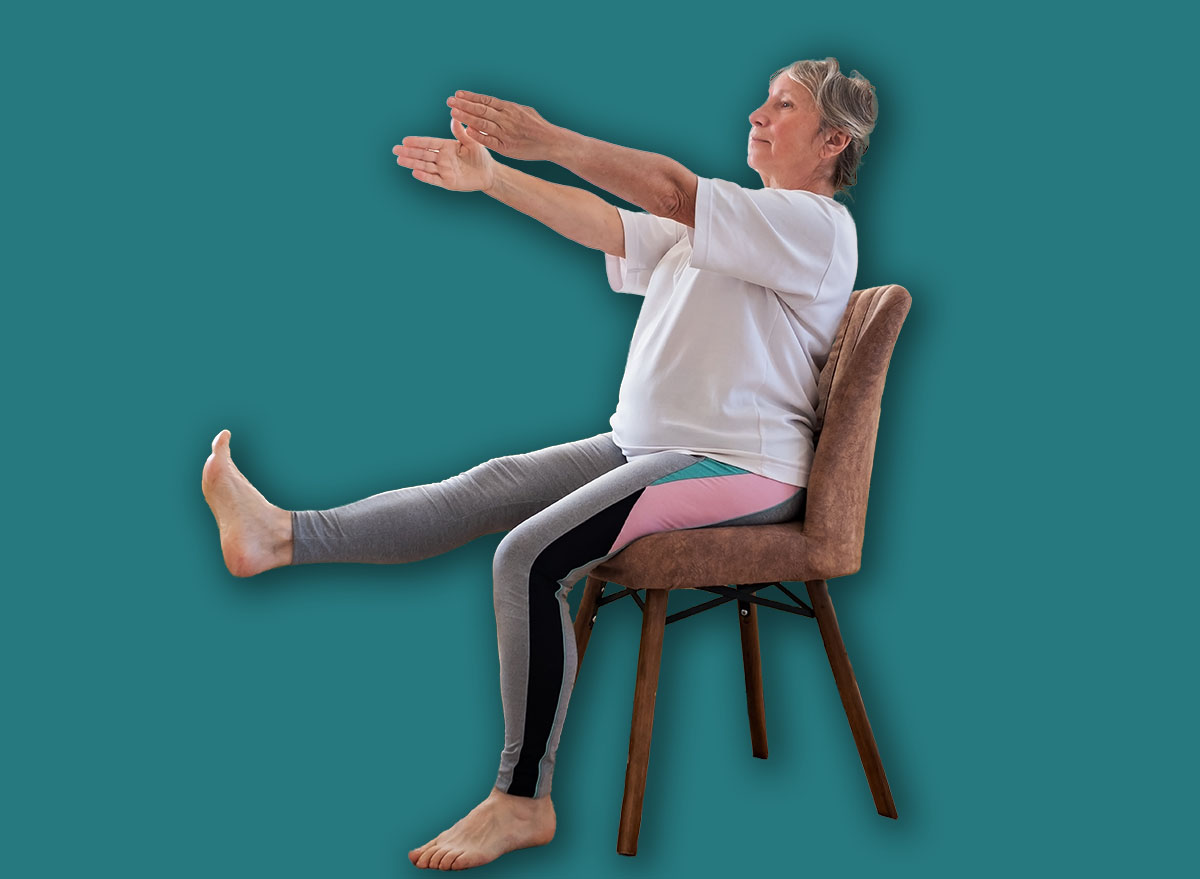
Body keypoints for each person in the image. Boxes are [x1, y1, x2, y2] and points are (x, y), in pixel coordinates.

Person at [202, 57, 878, 870]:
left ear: (833, 140)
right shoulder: (737, 222)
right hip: (645, 446)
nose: (758, 114)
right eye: (764, 99)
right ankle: (279, 536)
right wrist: (494, 178)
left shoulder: (814, 227)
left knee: (525, 557)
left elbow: (667, 190)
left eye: (785, 106)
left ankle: (521, 800)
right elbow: (612, 223)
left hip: (737, 464)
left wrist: (547, 139)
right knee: (483, 489)